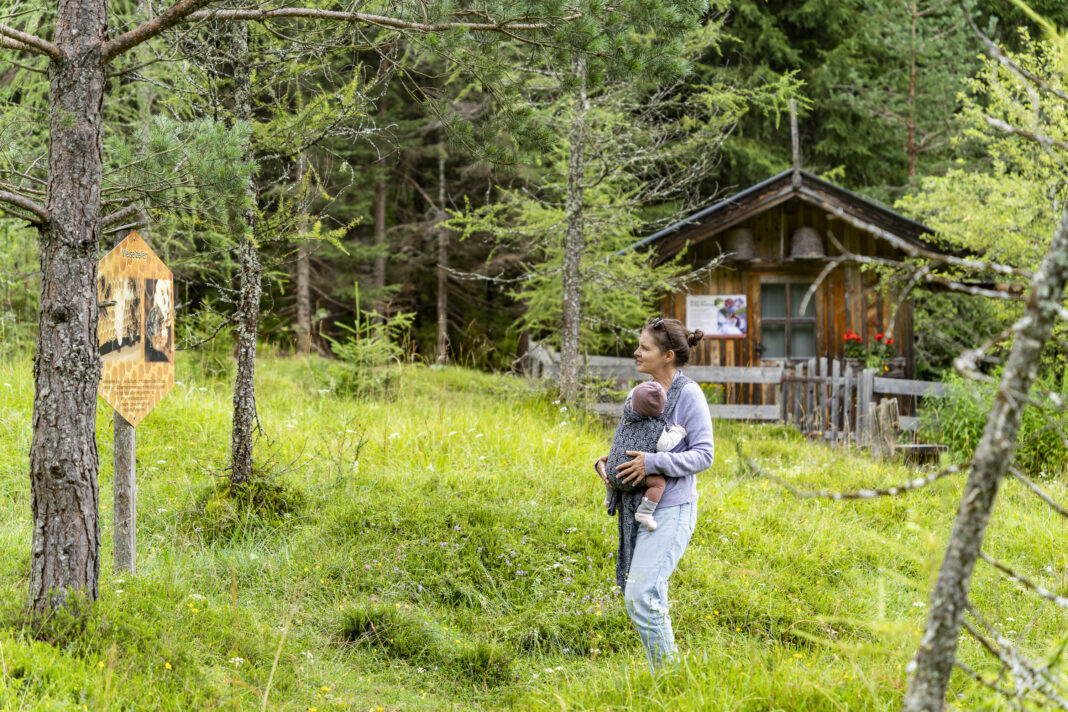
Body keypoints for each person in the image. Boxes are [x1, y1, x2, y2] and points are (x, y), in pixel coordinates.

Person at [594, 317, 714, 670]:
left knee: (642, 595)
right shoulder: (645, 392)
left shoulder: (688, 394)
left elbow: (705, 455)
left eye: (644, 347)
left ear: (668, 355)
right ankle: (668, 677)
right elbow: (631, 441)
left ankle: (669, 676)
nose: (637, 352)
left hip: (671, 509)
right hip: (637, 507)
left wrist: (653, 464)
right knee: (650, 596)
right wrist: (610, 466)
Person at [601, 380, 687, 531]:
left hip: (610, 471)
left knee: (613, 471)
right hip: (630, 475)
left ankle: (609, 498)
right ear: (661, 410)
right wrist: (677, 432)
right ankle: (645, 513)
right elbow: (665, 445)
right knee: (658, 483)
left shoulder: (625, 418)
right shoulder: (653, 428)